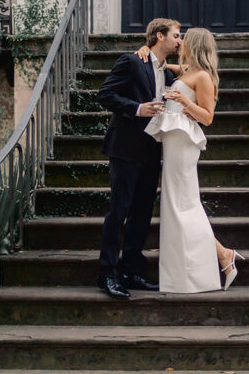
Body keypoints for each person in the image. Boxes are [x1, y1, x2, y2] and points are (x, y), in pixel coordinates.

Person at [137, 28, 243, 293]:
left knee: (184, 205)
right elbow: (157, 63)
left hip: (184, 144)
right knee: (177, 206)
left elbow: (207, 117)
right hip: (173, 143)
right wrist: (144, 50)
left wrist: (184, 100)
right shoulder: (185, 70)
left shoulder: (203, 76)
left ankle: (220, 258)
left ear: (194, 44)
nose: (179, 41)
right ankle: (218, 257)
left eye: (184, 38)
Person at [95, 18, 181, 299]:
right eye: (176, 35)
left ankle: (132, 271)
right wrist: (137, 109)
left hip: (152, 150)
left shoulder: (166, 73)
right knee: (119, 211)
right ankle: (107, 274)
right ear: (159, 35)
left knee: (142, 213)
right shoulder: (132, 62)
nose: (180, 41)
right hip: (125, 148)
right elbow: (105, 95)